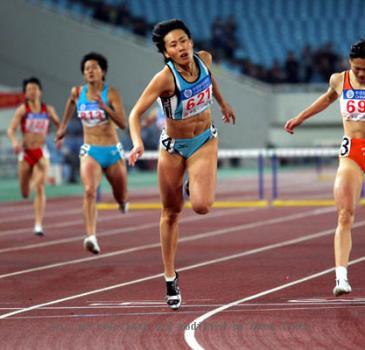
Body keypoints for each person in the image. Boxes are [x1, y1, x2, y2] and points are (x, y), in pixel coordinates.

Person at [128, 19, 235, 309]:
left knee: (201, 205)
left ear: (191, 41)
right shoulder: (164, 78)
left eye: (184, 41)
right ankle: (169, 277)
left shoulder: (205, 59)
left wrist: (223, 104)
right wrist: (138, 143)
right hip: (173, 148)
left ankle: (195, 182)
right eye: (173, 45)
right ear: (166, 53)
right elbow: (135, 114)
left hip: (203, 141)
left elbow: (210, 80)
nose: (181, 47)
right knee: (170, 213)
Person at [284, 39, 365, 297]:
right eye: (357, 69)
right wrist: (299, 118)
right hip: (352, 151)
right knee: (344, 214)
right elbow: (326, 99)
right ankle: (341, 277)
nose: (361, 74)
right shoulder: (339, 80)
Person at [55, 52, 128, 255]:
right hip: (91, 150)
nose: (90, 71)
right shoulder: (77, 92)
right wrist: (62, 127)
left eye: (94, 68)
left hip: (113, 150)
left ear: (103, 71)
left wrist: (105, 108)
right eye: (87, 69)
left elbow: (123, 123)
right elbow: (70, 103)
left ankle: (122, 203)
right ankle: (90, 236)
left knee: (120, 194)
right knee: (89, 191)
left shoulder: (111, 93)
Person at [7, 77, 61, 236]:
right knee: (25, 192)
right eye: (29, 89)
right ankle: (28, 185)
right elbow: (11, 130)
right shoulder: (22, 110)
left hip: (41, 150)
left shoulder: (48, 110)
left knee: (40, 186)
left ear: (40, 91)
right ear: (25, 93)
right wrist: (15, 142)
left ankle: (38, 224)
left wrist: (60, 138)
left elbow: (60, 127)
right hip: (26, 152)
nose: (32, 91)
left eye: (35, 88)